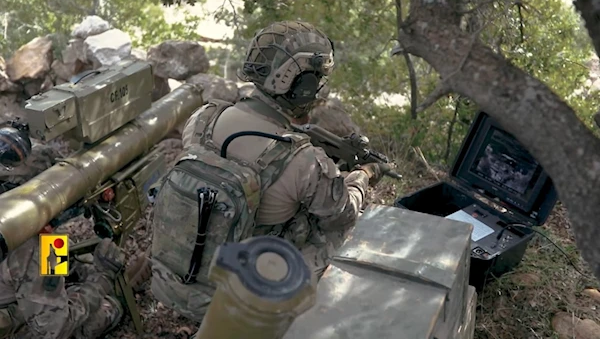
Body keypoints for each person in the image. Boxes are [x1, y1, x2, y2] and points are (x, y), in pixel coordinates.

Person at [150, 20, 392, 324]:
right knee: (336, 231)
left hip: (177, 277)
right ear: (301, 86)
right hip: (238, 299)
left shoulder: (203, 118)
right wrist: (363, 175)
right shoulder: (302, 161)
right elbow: (342, 212)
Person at [0, 229, 150, 339]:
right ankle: (116, 300)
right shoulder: (25, 246)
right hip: (16, 325)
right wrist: (101, 282)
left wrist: (87, 270)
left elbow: (54, 247)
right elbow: (55, 328)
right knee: (90, 320)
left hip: (17, 299)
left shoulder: (20, 228)